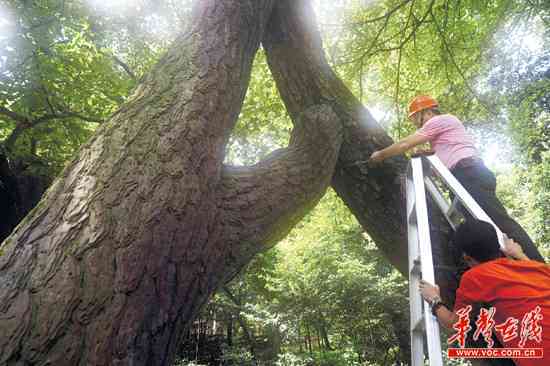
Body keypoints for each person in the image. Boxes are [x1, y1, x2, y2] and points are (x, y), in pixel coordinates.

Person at [368, 95, 545, 263]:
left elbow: (405, 144)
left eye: (415, 118)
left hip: (467, 174)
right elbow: (444, 152)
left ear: (427, 112)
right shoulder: (444, 134)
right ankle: (516, 270)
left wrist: (381, 154)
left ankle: (537, 266)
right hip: (464, 177)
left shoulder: (439, 120)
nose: (415, 124)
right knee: (480, 232)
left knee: (500, 223)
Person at [419, 220, 550, 366]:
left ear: (466, 257)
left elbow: (453, 323)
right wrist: (519, 254)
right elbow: (532, 268)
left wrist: (434, 299)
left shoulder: (475, 277)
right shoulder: (539, 268)